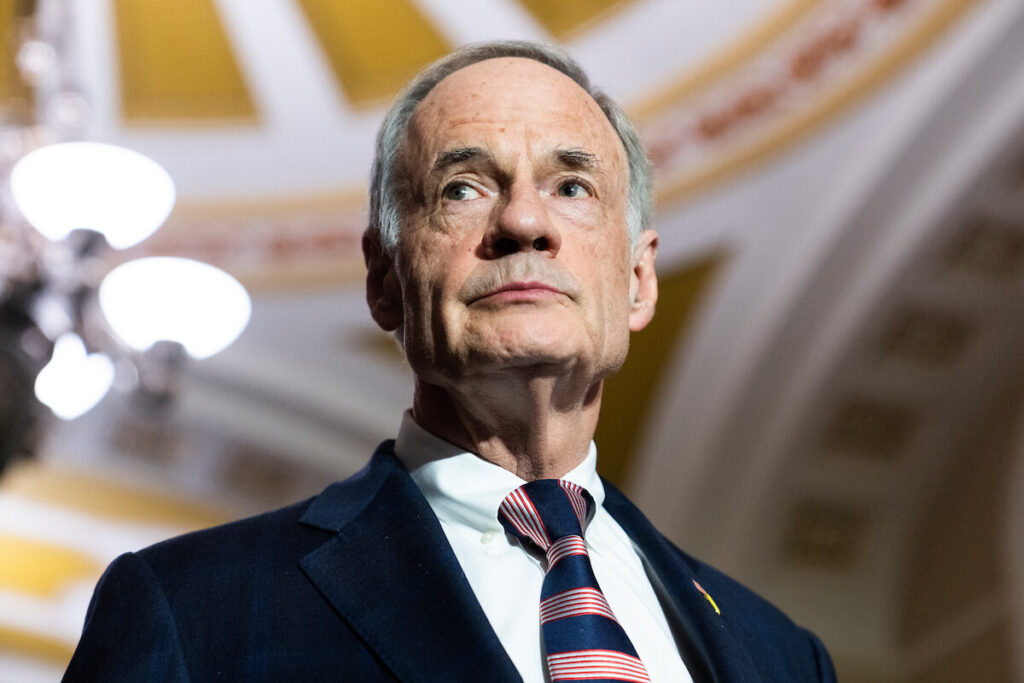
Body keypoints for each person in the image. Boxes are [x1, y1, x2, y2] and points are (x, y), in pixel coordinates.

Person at [63, 41, 836, 682]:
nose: (525, 221)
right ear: (385, 282)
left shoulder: (783, 655)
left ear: (638, 281)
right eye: (463, 188)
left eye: (571, 185)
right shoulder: (189, 608)